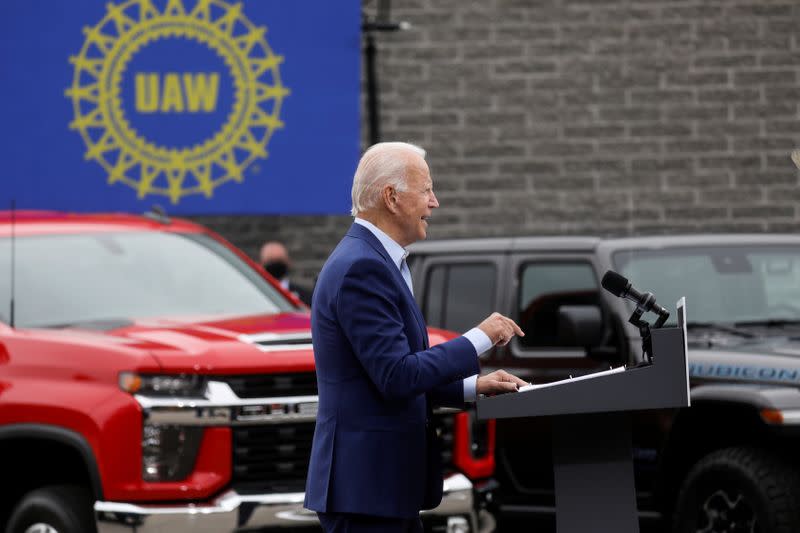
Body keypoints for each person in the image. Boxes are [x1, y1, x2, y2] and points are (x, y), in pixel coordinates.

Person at [304, 142, 527, 532]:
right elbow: (396, 376)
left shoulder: (374, 260)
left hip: (380, 491)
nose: (434, 202)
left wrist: (473, 387)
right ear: (391, 198)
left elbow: (388, 377)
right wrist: (481, 336)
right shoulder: (362, 267)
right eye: (426, 190)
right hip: (366, 493)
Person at [259, 240, 313, 306]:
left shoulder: (306, 297)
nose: (275, 266)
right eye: (271, 261)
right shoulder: (256, 294)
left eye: (279, 261)